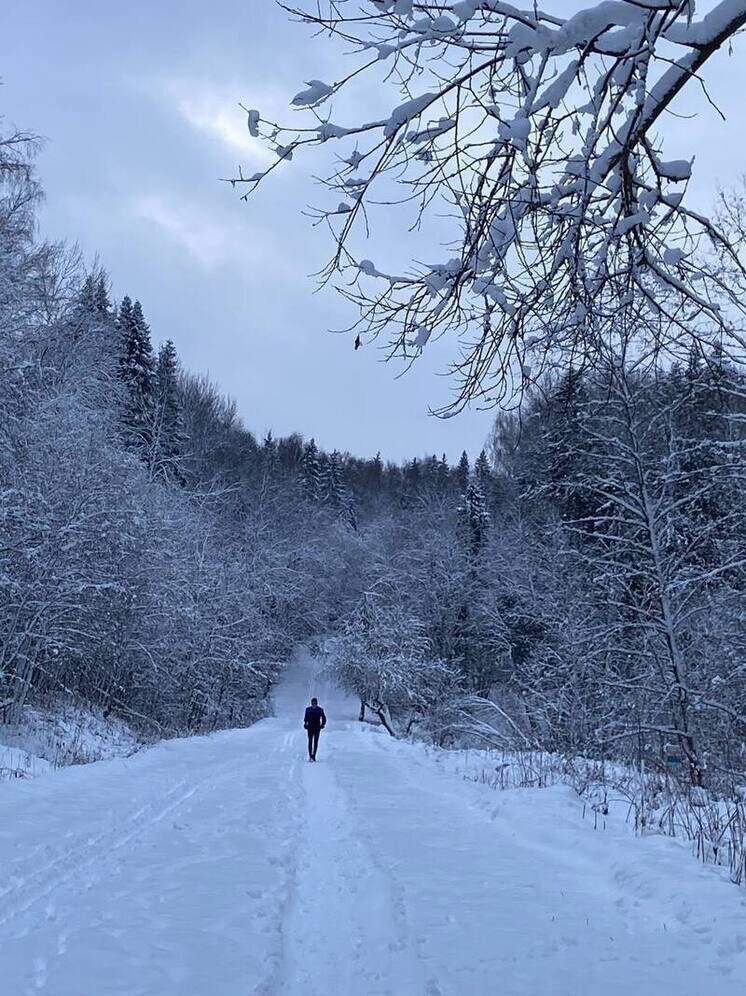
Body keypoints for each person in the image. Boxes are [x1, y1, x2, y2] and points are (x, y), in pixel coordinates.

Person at [303, 697, 326, 761]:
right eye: (313, 703)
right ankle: (310, 755)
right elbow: (306, 718)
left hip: (317, 728)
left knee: (315, 742)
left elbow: (324, 718)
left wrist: (322, 724)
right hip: (310, 727)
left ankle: (314, 755)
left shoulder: (320, 710)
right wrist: (305, 724)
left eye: (315, 703)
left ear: (316, 703)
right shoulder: (308, 710)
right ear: (311, 703)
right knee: (310, 741)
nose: (314, 705)